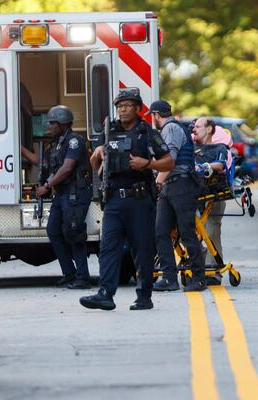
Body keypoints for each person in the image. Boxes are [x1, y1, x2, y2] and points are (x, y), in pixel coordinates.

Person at [80, 89, 174, 311]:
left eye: (127, 105)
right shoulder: (108, 132)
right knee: (108, 248)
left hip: (140, 200)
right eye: (119, 106)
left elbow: (169, 162)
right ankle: (105, 293)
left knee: (142, 250)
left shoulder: (147, 133)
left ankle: (144, 295)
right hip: (113, 200)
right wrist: (95, 155)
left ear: (138, 108)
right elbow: (95, 168)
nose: (122, 110)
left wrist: (147, 164)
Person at [34, 105, 93, 289]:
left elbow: (67, 168)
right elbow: (42, 163)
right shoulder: (55, 144)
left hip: (75, 191)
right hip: (62, 194)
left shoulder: (74, 141)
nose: (49, 127)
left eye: (52, 123)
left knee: (74, 232)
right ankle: (69, 273)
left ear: (62, 123)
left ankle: (83, 278)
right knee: (53, 230)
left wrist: (46, 187)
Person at [151, 100, 206, 292]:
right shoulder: (170, 128)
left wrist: (157, 182)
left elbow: (170, 161)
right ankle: (169, 278)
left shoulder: (171, 128)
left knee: (186, 232)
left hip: (181, 185)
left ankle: (199, 279)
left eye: (153, 116)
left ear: (156, 115)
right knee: (160, 231)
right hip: (170, 186)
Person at [192, 117, 229, 266]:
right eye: (194, 127)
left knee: (212, 231)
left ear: (209, 129)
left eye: (198, 126)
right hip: (191, 193)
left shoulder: (219, 148)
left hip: (214, 193)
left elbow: (220, 165)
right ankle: (201, 259)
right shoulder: (189, 148)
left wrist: (203, 167)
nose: (194, 129)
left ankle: (214, 271)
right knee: (183, 231)